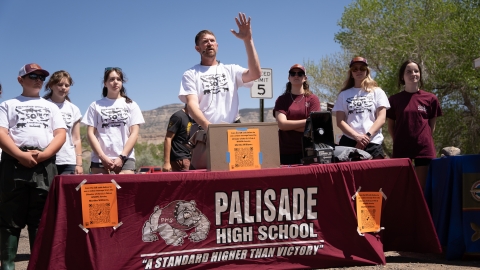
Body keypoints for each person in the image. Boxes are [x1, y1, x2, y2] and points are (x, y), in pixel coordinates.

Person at [0, 63, 66, 269]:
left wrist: (45, 154)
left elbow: (60, 134)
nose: (39, 79)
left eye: (41, 76)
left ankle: (38, 265)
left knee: (41, 218)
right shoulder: (8, 104)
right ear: (20, 80)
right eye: (33, 76)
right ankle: (8, 266)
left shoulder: (51, 106)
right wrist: (19, 154)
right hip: (14, 163)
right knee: (10, 218)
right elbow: (1, 132)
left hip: (44, 165)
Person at [178, 12, 261, 128]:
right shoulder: (191, 74)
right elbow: (192, 104)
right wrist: (210, 128)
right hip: (204, 131)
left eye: (212, 41)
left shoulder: (231, 70)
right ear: (197, 48)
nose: (209, 44)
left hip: (233, 130)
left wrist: (248, 40)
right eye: (205, 41)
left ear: (217, 45)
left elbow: (255, 74)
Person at [387, 60, 442, 190]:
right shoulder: (394, 100)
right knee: (403, 188)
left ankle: (422, 211)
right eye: (409, 71)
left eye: (416, 71)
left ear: (420, 74)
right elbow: (390, 126)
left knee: (421, 189)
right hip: (401, 148)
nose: (413, 74)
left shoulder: (431, 98)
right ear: (402, 76)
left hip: (423, 148)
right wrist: (399, 140)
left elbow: (431, 125)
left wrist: (423, 139)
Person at [82, 67, 145, 174]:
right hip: (100, 160)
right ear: (105, 83)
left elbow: (134, 134)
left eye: (118, 79)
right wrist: (102, 157)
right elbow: (90, 134)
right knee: (102, 190)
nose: (115, 82)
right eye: (111, 79)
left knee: (125, 190)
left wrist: (122, 157)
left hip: (125, 159)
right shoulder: (95, 105)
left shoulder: (131, 105)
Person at [332, 57, 390, 159]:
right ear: (351, 73)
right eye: (355, 69)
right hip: (349, 142)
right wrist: (356, 136)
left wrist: (367, 136)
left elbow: (381, 118)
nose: (358, 71)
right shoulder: (343, 94)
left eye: (362, 68)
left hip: (373, 142)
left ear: (367, 71)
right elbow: (340, 121)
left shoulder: (377, 92)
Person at [273, 64, 320, 165]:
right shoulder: (282, 100)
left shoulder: (313, 99)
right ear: (288, 77)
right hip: (285, 152)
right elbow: (281, 124)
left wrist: (288, 126)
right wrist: (308, 122)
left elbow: (315, 126)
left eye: (300, 73)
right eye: (293, 73)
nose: (296, 76)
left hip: (309, 151)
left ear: (305, 78)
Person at [44, 70, 83, 175]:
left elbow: (76, 138)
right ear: (51, 85)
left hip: (68, 161)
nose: (63, 88)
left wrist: (79, 164)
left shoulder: (74, 109)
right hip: (45, 159)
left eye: (67, 85)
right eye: (60, 84)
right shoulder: (42, 105)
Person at [162, 104, 195, 172]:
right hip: (180, 159)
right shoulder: (178, 116)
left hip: (189, 157)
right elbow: (168, 138)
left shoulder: (192, 118)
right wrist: (167, 163)